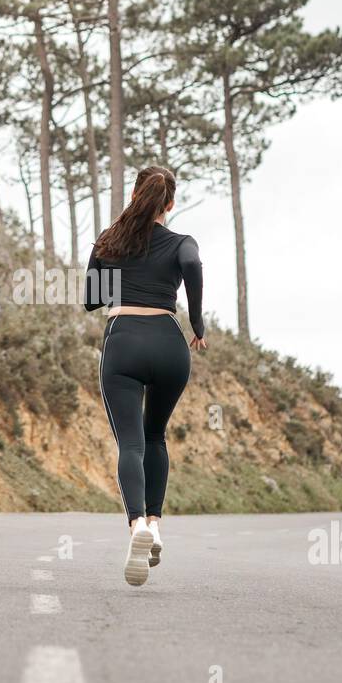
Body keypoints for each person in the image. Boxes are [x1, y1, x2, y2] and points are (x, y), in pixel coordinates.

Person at [84, 165, 206, 586]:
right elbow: (191, 263)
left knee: (131, 442)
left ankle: (136, 524)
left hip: (124, 340)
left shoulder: (110, 239)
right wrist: (199, 325)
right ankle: (155, 522)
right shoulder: (181, 242)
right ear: (170, 204)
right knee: (156, 436)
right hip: (170, 343)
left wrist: (108, 259)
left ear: (136, 194)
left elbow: (90, 301)